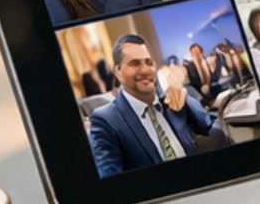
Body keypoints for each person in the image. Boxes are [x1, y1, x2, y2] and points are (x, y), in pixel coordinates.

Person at [87, 33, 215, 176]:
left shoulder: (168, 99)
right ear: (118, 71)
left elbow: (207, 124)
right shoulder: (105, 120)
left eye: (149, 62)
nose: (145, 70)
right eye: (135, 63)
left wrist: (183, 92)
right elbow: (111, 183)